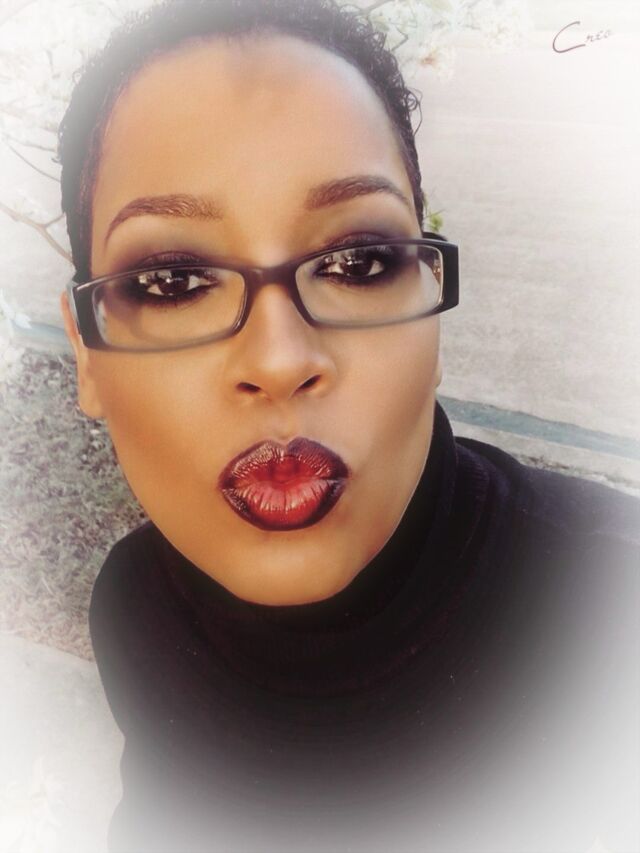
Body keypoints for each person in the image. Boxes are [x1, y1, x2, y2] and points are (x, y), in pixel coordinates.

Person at [58, 0, 638, 851]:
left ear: (431, 310)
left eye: (358, 262)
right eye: (174, 280)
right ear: (85, 355)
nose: (280, 358)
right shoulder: (135, 608)